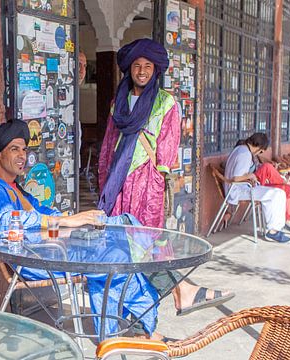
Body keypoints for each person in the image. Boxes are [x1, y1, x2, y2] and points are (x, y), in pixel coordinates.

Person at [0, 119, 160, 339]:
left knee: (124, 223)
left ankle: (125, 325)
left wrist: (74, 219)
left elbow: (44, 213)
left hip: (54, 246)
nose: (22, 156)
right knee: (115, 254)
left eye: (24, 150)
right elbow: (8, 221)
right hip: (37, 258)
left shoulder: (16, 189)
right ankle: (153, 304)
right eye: (14, 149)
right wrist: (66, 223)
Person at [98, 38, 234, 321]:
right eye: (137, 65)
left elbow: (167, 151)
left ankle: (165, 301)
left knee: (147, 244)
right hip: (117, 185)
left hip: (146, 184)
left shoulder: (165, 102)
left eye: (148, 66)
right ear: (130, 69)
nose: (142, 71)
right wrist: (106, 183)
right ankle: (148, 309)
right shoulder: (117, 103)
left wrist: (153, 187)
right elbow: (108, 145)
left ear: (156, 70)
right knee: (124, 247)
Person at [224, 133, 290, 243]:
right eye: (261, 151)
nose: (259, 154)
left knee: (275, 193)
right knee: (277, 194)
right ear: (259, 148)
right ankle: (273, 231)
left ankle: (274, 229)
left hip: (236, 188)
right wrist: (250, 176)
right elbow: (236, 178)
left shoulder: (240, 149)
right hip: (238, 190)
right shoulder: (245, 154)